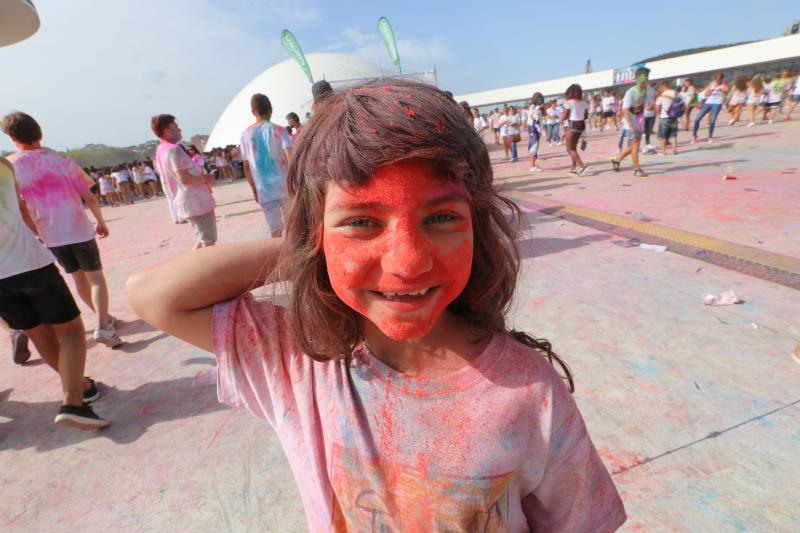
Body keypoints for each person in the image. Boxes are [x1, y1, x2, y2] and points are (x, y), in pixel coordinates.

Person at [127, 79, 626, 532]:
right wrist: (309, 247)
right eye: (362, 222)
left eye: (442, 217)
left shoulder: (529, 390)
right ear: (315, 234)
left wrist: (345, 236)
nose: (407, 263)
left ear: (478, 224)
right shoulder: (299, 360)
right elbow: (153, 295)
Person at [0, 156, 109, 429]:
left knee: (39, 334)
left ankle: (82, 386)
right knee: (71, 330)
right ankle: (73, 402)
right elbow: (23, 212)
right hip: (30, 263)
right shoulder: (4, 166)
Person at [2, 112, 122, 347]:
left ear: (12, 138)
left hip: (50, 233)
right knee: (95, 278)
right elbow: (89, 196)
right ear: (39, 132)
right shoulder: (62, 161)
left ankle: (104, 317)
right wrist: (100, 221)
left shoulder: (12, 166)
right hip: (77, 227)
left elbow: (20, 205)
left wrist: (34, 232)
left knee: (78, 278)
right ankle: (103, 325)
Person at [152, 114, 217, 248]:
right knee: (208, 242)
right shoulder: (174, 150)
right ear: (167, 131)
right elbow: (185, 179)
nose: (179, 129)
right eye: (175, 126)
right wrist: (206, 178)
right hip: (195, 201)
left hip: (184, 201)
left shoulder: (160, 151)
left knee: (201, 239)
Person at [240, 93, 293, 238]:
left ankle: (277, 257)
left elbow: (246, 166)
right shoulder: (280, 131)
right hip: (285, 185)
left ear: (253, 111)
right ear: (270, 109)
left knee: (275, 230)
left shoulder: (245, 135)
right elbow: (291, 157)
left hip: (263, 189)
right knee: (293, 226)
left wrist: (254, 189)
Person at [611, 67, 655, 177]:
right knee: (635, 143)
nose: (645, 79)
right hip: (629, 121)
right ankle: (637, 169)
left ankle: (617, 159)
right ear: (637, 78)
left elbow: (650, 106)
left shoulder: (649, 90)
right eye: (643, 76)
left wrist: (650, 107)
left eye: (647, 76)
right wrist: (630, 125)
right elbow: (624, 109)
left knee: (633, 146)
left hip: (640, 121)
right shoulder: (631, 92)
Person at [561, 84, 589, 175]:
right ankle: (573, 168)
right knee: (573, 148)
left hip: (572, 125)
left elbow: (564, 116)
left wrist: (561, 121)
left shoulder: (568, 102)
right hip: (581, 125)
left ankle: (582, 166)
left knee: (569, 149)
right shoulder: (584, 102)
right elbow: (586, 116)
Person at [692, 72, 727, 144]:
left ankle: (710, 137)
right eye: (716, 78)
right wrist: (711, 91)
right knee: (697, 119)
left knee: (712, 121)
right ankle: (694, 136)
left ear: (722, 78)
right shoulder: (712, 84)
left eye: (719, 78)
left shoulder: (724, 84)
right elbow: (706, 94)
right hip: (708, 102)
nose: (717, 80)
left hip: (717, 103)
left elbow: (726, 91)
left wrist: (721, 89)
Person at [655, 81, 682, 155]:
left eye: (660, 88)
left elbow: (657, 107)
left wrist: (658, 116)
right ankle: (674, 150)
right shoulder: (676, 93)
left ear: (663, 86)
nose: (660, 89)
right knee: (673, 134)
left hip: (664, 117)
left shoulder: (661, 96)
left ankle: (663, 151)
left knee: (662, 135)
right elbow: (681, 102)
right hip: (674, 117)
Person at [527, 92, 544, 172]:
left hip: (537, 129)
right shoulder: (533, 107)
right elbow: (533, 117)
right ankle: (532, 166)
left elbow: (539, 121)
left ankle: (534, 164)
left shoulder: (537, 108)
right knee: (533, 148)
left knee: (535, 147)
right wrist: (537, 108)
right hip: (533, 129)